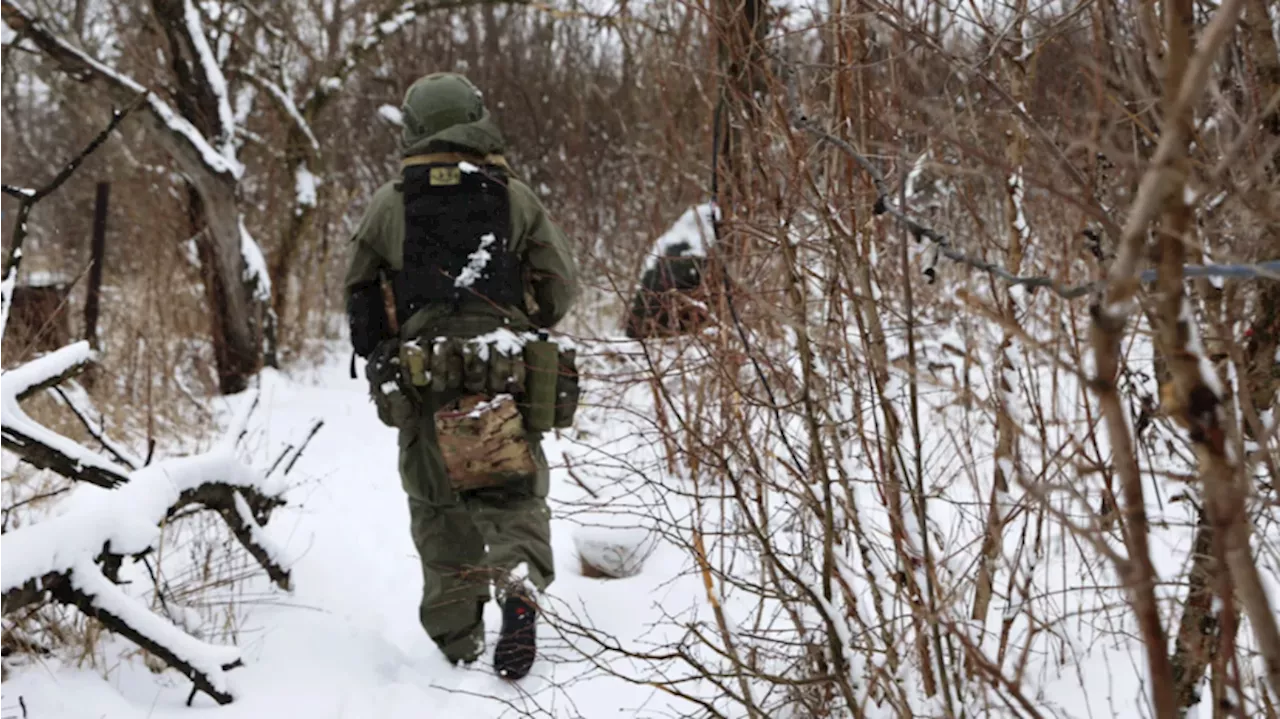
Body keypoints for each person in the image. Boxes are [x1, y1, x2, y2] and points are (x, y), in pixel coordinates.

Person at [343, 72, 578, 680]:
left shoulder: (390, 201)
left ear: (416, 128)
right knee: (511, 492)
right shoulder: (513, 196)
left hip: (423, 376)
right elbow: (559, 288)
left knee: (436, 504)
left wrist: (381, 351)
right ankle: (518, 586)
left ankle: (457, 643)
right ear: (476, 119)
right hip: (501, 368)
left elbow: (359, 292)